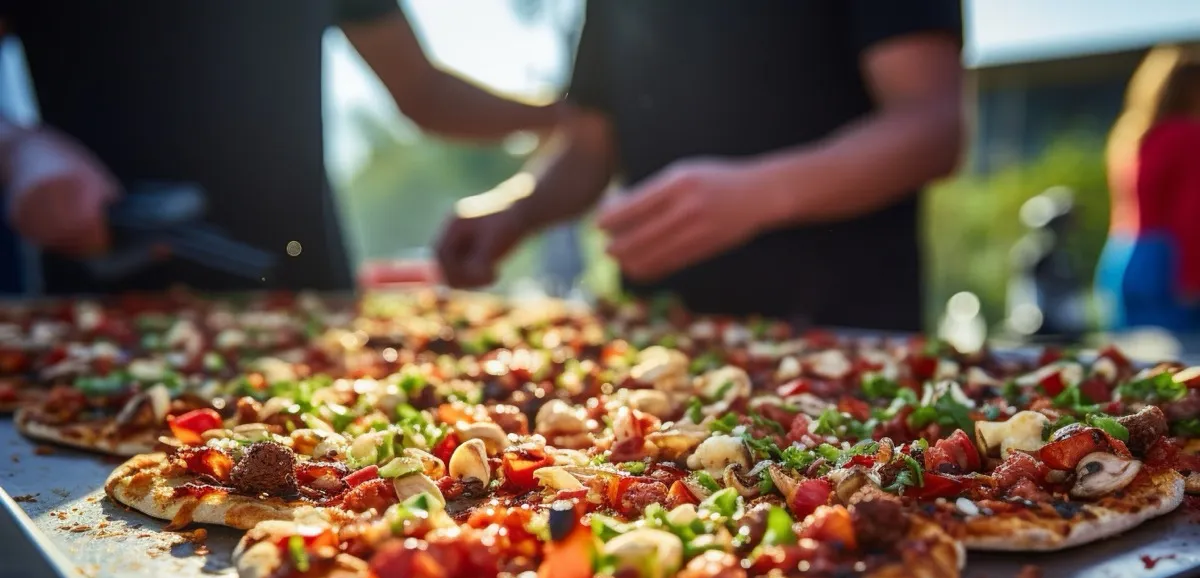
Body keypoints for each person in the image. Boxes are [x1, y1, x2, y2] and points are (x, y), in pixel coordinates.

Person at [436, 1, 963, 330]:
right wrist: (516, 209)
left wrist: (759, 195)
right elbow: (591, 146)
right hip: (658, 347)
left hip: (847, 338)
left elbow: (931, 125)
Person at [0, 1, 562, 294]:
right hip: (101, 305)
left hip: (301, 286)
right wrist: (18, 148)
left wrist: (577, 116)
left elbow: (424, 92)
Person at [1096, 46, 1200, 331]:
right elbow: (1191, 213)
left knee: (1130, 351)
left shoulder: (1129, 137)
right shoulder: (1188, 135)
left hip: (1120, 255)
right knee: (1178, 353)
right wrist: (1193, 278)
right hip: (1168, 261)